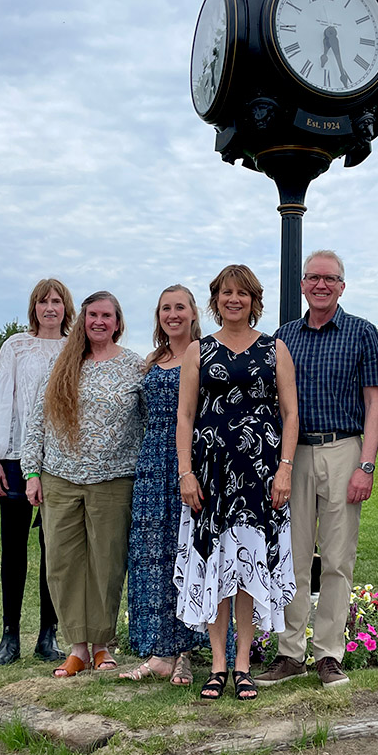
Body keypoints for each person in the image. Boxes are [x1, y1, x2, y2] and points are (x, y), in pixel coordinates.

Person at [255, 250, 378, 689]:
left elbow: (374, 404)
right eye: (313, 278)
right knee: (291, 558)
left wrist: (366, 464)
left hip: (344, 449)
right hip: (294, 454)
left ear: (342, 286)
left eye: (330, 279)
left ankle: (328, 654)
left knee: (336, 558)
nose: (321, 285)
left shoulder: (362, 333)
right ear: (303, 285)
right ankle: (289, 654)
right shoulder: (284, 337)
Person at [174, 264, 298, 701]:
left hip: (259, 476)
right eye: (226, 293)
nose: (233, 299)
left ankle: (243, 662)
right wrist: (186, 472)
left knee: (246, 569)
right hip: (210, 476)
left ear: (253, 300)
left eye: (241, 293)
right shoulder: (198, 351)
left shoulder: (274, 349)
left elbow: (290, 414)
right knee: (214, 566)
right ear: (216, 299)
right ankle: (218, 664)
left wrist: (284, 467)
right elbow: (185, 416)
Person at [20, 291, 145, 677]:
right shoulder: (63, 363)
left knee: (106, 564)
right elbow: (36, 420)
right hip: (60, 477)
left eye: (107, 315)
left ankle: (103, 646)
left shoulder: (135, 367)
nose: (99, 322)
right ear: (82, 320)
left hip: (112, 479)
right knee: (63, 563)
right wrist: (31, 472)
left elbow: (146, 423)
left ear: (118, 322)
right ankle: (76, 647)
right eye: (92, 314)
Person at [0, 278, 76, 666]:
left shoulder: (75, 347)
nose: (50, 308)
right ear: (33, 308)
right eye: (43, 302)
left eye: (56, 301)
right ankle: (9, 635)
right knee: (13, 547)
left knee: (51, 550)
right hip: (17, 458)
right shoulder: (16, 347)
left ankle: (47, 634)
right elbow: (0, 400)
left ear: (66, 307)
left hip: (59, 461)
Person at [121, 285, 206, 686]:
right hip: (153, 464)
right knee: (151, 553)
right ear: (158, 316)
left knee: (185, 554)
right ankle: (159, 652)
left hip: (189, 462)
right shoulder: (152, 361)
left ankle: (186, 652)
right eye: (165, 308)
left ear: (193, 313)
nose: (173, 314)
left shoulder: (205, 354)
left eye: (180, 307)